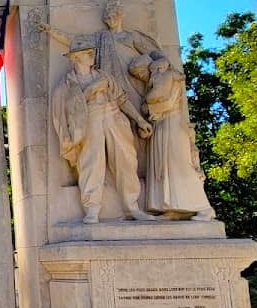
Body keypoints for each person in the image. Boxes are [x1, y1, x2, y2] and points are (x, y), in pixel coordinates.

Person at [52, 37, 153, 224]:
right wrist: (90, 90)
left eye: (92, 52)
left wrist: (139, 120)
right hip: (89, 121)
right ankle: (92, 209)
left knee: (126, 161)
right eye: (87, 53)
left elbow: (122, 99)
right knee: (91, 164)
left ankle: (132, 207)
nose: (92, 56)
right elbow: (62, 114)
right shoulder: (66, 85)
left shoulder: (104, 76)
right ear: (75, 58)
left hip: (114, 116)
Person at [128, 54, 215, 219]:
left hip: (172, 125)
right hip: (162, 125)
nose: (141, 78)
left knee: (179, 166)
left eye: (141, 74)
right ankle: (171, 208)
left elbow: (163, 103)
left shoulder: (168, 79)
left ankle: (204, 208)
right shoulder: (158, 82)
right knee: (164, 169)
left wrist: (148, 107)